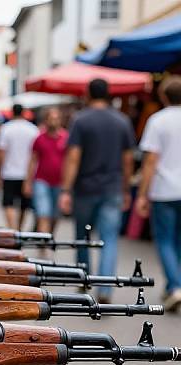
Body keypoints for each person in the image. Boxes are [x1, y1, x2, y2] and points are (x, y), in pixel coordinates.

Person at [59, 78, 135, 302]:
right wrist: (126, 188)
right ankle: (105, 288)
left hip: (85, 188)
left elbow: (73, 157)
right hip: (112, 187)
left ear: (88, 94)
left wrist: (65, 189)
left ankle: (84, 280)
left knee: (83, 235)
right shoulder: (122, 121)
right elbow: (128, 159)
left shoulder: (80, 120)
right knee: (109, 238)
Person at [135, 76, 181, 311]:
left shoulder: (158, 121)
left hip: (164, 190)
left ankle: (175, 286)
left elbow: (151, 161)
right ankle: (174, 285)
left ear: (163, 96)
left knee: (164, 240)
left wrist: (142, 194)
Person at [23, 108, 67, 234]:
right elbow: (33, 160)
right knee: (43, 212)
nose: (54, 121)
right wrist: (28, 182)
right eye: (51, 118)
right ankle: (44, 241)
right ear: (46, 120)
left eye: (56, 118)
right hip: (41, 180)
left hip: (60, 181)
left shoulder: (66, 138)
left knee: (55, 214)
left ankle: (48, 236)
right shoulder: (39, 138)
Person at [0, 104, 39, 229]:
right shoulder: (33, 129)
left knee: (8, 203)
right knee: (24, 205)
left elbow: (1, 152)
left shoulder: (6, 129)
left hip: (9, 172)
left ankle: (11, 228)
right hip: (27, 173)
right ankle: (19, 228)